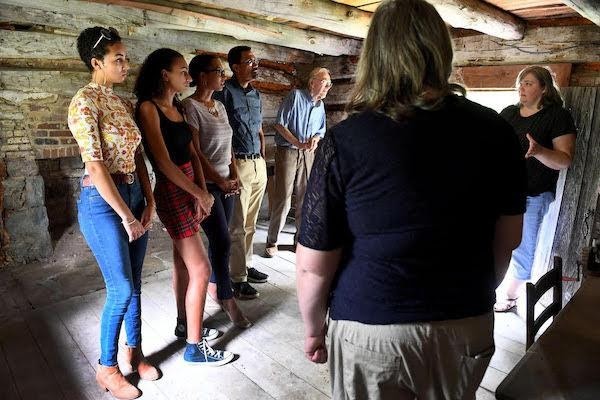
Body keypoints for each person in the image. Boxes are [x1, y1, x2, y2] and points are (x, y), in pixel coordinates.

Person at [295, 0, 527, 399]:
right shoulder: (497, 131)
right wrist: (470, 292)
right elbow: (508, 239)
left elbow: (314, 265)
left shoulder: (347, 139)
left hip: (372, 326)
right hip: (465, 322)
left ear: (376, 56)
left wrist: (315, 329)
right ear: (441, 50)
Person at [68, 26, 159, 399]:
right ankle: (106, 368)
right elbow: (96, 167)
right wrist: (126, 215)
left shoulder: (120, 104)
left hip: (135, 193)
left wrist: (148, 199)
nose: (126, 65)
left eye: (125, 58)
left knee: (136, 283)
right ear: (96, 62)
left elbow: (137, 155)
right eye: (117, 59)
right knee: (120, 287)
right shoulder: (83, 102)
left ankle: (134, 353)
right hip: (103, 204)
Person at [134, 48, 234, 366]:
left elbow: (193, 153)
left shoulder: (176, 105)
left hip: (191, 185)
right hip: (172, 190)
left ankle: (183, 324)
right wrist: (195, 192)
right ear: (165, 74)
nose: (187, 77)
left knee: (182, 262)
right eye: (182, 71)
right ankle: (193, 346)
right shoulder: (149, 109)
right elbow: (163, 162)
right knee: (202, 269)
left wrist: (204, 191)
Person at [494, 66, 576, 312]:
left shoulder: (557, 116)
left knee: (522, 247)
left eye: (528, 83)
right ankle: (488, 289)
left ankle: (509, 297)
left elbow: (564, 160)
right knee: (492, 241)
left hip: (533, 194)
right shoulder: (508, 113)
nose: (522, 87)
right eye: (520, 83)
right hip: (501, 191)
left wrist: (538, 151)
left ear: (544, 88)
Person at [182, 53, 252, 328]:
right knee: (222, 241)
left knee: (223, 242)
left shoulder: (219, 107)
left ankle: (215, 285)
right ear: (202, 76)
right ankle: (227, 297)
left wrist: (234, 174)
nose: (224, 77)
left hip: (227, 183)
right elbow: (196, 153)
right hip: (208, 186)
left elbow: (228, 145)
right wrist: (218, 182)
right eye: (219, 72)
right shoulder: (190, 107)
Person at [214, 46, 269, 299]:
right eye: (249, 61)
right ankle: (237, 278)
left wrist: (263, 158)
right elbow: (226, 135)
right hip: (239, 165)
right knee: (237, 225)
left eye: (255, 60)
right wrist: (233, 170)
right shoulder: (225, 94)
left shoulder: (256, 95)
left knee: (251, 222)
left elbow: (258, 129)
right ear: (235, 67)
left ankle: (245, 265)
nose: (255, 64)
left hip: (257, 163)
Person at [264, 67, 332, 258]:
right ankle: (272, 240)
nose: (328, 86)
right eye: (325, 82)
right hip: (288, 151)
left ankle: (299, 240)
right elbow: (280, 124)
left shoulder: (320, 106)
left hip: (308, 153)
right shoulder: (295, 96)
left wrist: (315, 140)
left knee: (305, 196)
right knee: (284, 197)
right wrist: (297, 142)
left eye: (330, 83)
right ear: (312, 82)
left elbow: (321, 130)